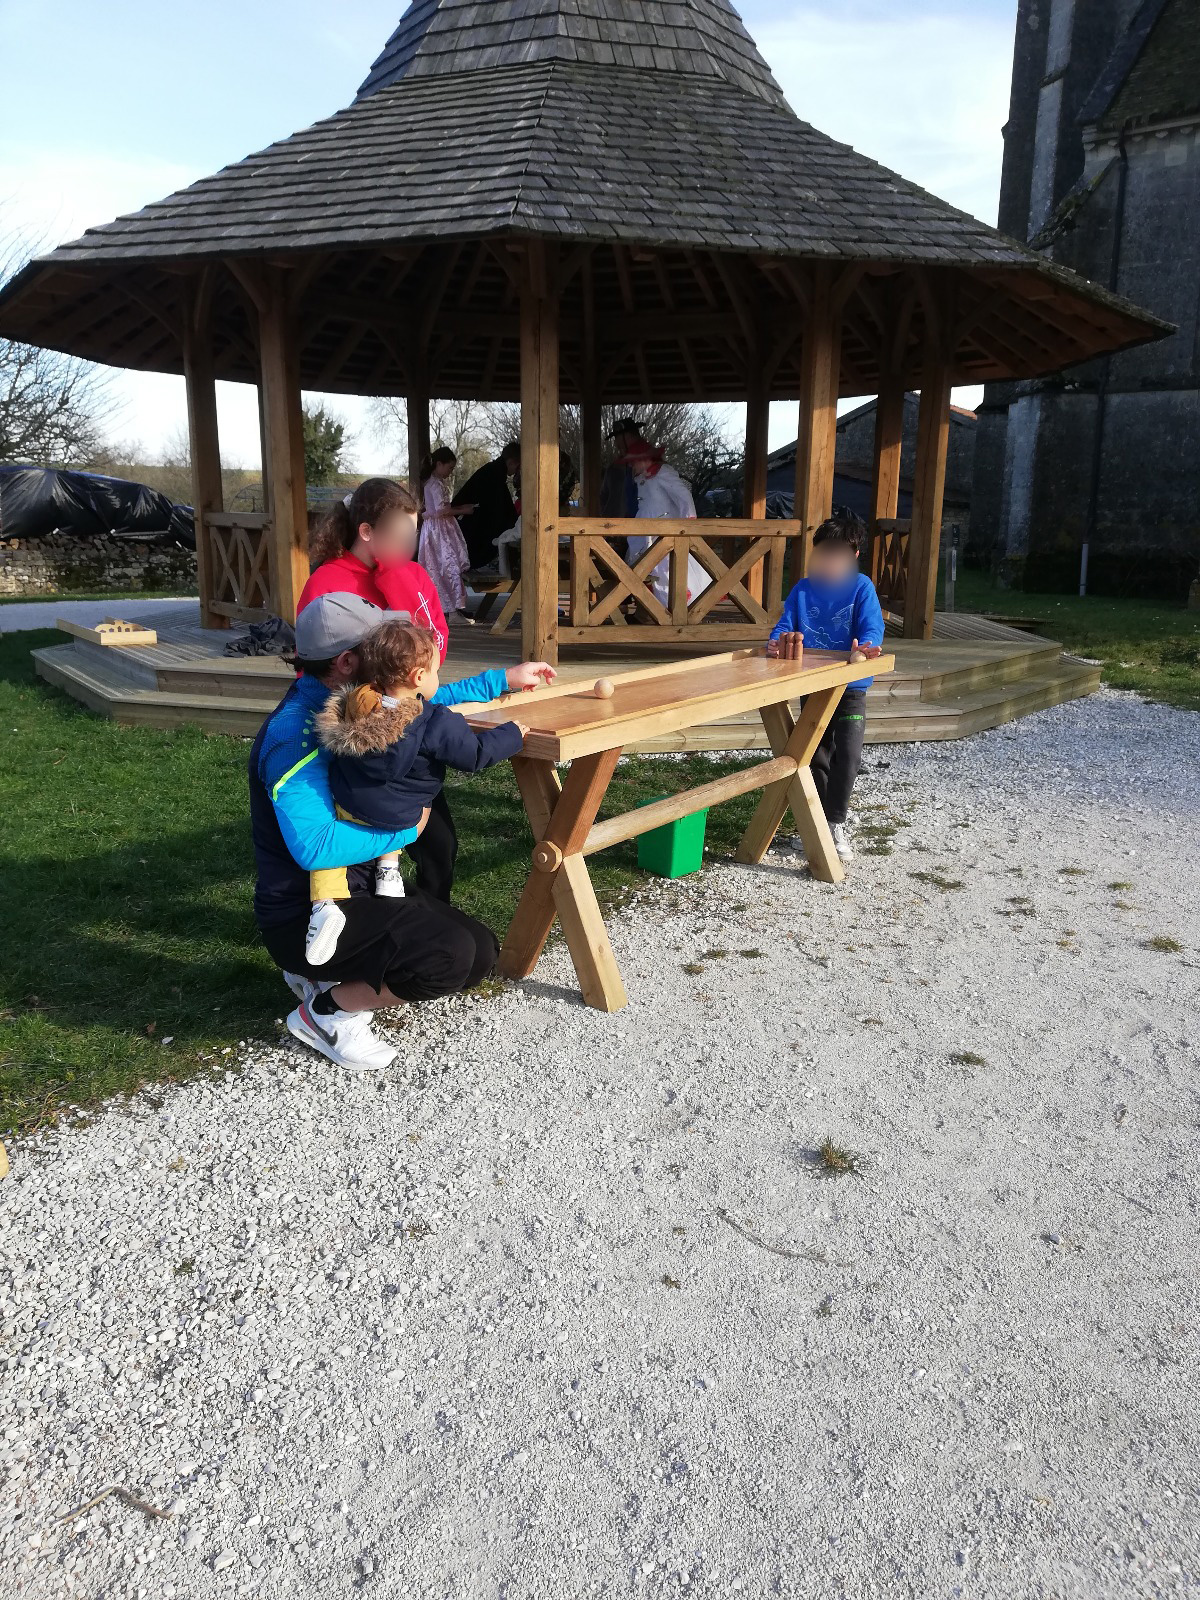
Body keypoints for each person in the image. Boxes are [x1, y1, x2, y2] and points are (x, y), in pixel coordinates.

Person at [249, 591, 554, 1069]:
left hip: (361, 887)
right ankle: (326, 1013)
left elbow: (421, 704)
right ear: (348, 662)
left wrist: (502, 681)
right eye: (378, 645)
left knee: (479, 953)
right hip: (305, 913)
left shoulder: (359, 701)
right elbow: (315, 848)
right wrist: (407, 832)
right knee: (451, 957)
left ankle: (324, 977)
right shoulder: (294, 736)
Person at [305, 620, 527, 963]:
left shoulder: (355, 705)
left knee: (330, 859)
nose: (439, 676)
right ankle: (389, 873)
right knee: (410, 810)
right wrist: (513, 734)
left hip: (350, 802)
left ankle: (324, 905)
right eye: (437, 670)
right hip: (402, 815)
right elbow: (475, 755)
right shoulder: (434, 721)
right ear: (419, 677)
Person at [767, 511, 885, 865]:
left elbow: (872, 628)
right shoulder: (803, 589)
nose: (830, 562)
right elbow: (784, 627)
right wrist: (776, 643)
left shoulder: (861, 587)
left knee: (848, 754)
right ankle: (815, 822)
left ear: (854, 556)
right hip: (814, 685)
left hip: (851, 687)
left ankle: (835, 823)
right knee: (815, 753)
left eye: (839, 555)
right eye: (824, 554)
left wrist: (865, 647)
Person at [299, 477, 448, 660]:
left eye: (412, 536)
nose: (409, 548)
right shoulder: (324, 583)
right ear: (366, 532)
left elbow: (436, 649)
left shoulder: (415, 574)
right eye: (399, 537)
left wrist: (399, 580)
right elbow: (309, 661)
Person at [619, 438, 712, 611]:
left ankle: (672, 607)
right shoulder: (641, 478)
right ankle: (650, 610)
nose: (632, 466)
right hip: (644, 530)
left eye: (634, 461)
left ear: (644, 459)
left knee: (666, 569)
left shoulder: (663, 472)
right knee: (644, 568)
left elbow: (683, 495)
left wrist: (688, 521)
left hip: (664, 530)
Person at [419, 448, 475, 624]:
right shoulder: (434, 484)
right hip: (439, 531)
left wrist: (460, 508)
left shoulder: (434, 483)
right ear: (439, 464)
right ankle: (451, 610)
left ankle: (451, 608)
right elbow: (441, 510)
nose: (450, 472)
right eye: (449, 468)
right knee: (448, 566)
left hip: (438, 528)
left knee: (442, 568)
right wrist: (463, 510)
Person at [456, 442, 520, 570]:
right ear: (511, 462)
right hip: (472, 534)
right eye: (517, 467)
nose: (516, 472)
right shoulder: (494, 475)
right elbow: (499, 510)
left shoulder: (492, 471)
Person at [599, 417, 642, 518]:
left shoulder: (647, 467)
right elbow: (603, 496)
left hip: (641, 524)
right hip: (613, 524)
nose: (617, 443)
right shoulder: (613, 469)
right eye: (616, 438)